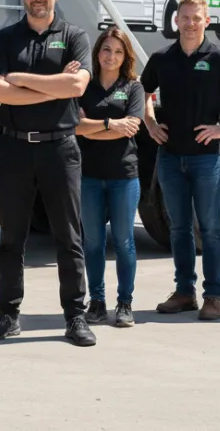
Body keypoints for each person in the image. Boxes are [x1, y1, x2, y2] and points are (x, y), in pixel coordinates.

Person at [0, 0, 96, 347]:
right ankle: (8, 314)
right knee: (11, 237)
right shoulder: (6, 38)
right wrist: (54, 88)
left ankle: (75, 316)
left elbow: (77, 84)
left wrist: (21, 80)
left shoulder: (75, 36)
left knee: (69, 236)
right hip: (14, 148)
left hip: (60, 148)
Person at [141, 0, 220, 321]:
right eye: (185, 17)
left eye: (197, 18)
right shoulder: (162, 58)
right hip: (170, 158)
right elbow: (142, 92)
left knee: (209, 229)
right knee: (179, 228)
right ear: (176, 21)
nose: (191, 23)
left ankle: (213, 296)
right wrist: (150, 123)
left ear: (207, 21)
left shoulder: (219, 58)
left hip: (206, 159)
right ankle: (184, 292)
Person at [75, 27, 146, 328]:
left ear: (125, 55)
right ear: (98, 52)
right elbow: (75, 127)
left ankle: (125, 303)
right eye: (106, 49)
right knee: (92, 242)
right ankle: (97, 301)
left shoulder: (133, 87)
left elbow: (131, 127)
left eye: (118, 51)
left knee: (124, 240)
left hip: (123, 177)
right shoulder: (85, 87)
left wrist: (94, 128)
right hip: (88, 177)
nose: (111, 56)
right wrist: (110, 124)